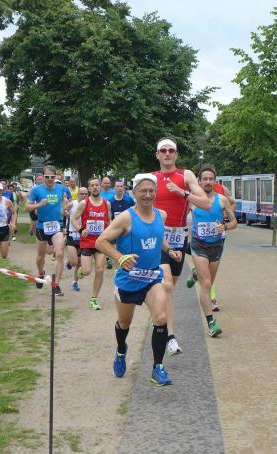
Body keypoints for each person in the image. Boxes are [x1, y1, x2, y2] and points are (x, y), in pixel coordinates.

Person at [96, 173, 182, 386]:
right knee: (124, 323)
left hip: (152, 277)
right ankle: (121, 350)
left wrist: (170, 250)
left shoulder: (161, 215)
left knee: (160, 317)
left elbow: (158, 236)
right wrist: (120, 257)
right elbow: (101, 241)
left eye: (151, 191)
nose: (147, 195)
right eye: (143, 191)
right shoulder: (126, 218)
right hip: (129, 279)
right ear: (134, 193)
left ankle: (157, 368)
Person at [152, 137, 212, 355]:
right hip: (156, 240)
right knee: (167, 285)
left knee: (168, 290)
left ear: (176, 154)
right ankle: (170, 337)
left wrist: (183, 193)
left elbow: (206, 203)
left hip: (178, 239)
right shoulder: (151, 178)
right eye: (163, 150)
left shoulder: (185, 175)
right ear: (157, 155)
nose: (167, 153)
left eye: (171, 150)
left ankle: (160, 322)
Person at [186, 165, 237, 336]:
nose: (208, 182)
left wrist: (225, 227)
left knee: (208, 284)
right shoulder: (192, 200)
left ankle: (196, 273)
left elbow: (234, 222)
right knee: (206, 283)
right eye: (205, 179)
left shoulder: (222, 200)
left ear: (215, 181)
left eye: (211, 179)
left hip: (216, 246)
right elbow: (180, 218)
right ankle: (211, 323)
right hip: (198, 245)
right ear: (199, 182)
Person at [26, 165, 68, 295]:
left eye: (52, 177)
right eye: (47, 177)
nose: (50, 179)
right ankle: (41, 273)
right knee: (41, 256)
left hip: (57, 225)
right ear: (43, 177)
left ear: (56, 177)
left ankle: (56, 284)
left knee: (60, 253)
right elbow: (27, 207)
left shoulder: (61, 188)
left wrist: (64, 209)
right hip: (42, 226)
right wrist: (39, 204)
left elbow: (63, 200)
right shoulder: (36, 190)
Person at [72, 177, 111, 310]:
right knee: (87, 271)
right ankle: (82, 271)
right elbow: (73, 218)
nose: (95, 187)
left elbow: (109, 221)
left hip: (100, 242)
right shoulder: (84, 203)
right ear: (89, 188)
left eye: (97, 185)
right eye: (92, 185)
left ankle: (94, 299)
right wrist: (80, 230)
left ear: (100, 187)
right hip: (87, 242)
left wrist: (109, 234)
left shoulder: (107, 204)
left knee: (100, 270)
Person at [66, 187, 88, 292]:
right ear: (78, 194)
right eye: (82, 193)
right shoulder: (72, 204)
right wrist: (65, 213)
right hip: (72, 234)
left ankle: (75, 282)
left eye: (85, 194)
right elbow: (63, 210)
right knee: (74, 262)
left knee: (79, 262)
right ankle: (70, 261)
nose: (84, 195)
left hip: (83, 236)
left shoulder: (89, 205)